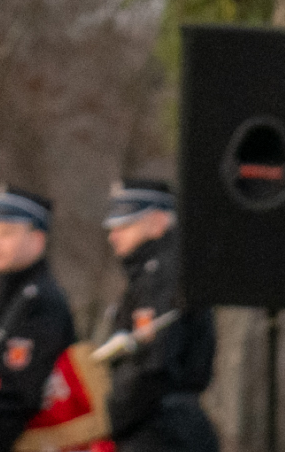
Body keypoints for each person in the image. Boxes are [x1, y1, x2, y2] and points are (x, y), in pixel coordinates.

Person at [100, 178, 219, 452]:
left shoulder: (161, 274)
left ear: (157, 222)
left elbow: (154, 366)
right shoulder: (149, 274)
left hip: (161, 428)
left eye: (125, 225)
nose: (113, 235)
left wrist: (110, 419)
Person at [0, 186, 79, 452]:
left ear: (37, 239)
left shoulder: (40, 301)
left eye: (6, 233)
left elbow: (19, 393)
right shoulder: (4, 296)